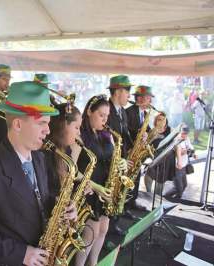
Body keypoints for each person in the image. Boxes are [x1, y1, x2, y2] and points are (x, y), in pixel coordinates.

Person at [0, 81, 77, 266]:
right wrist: (21, 254)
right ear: (18, 124)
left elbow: (38, 198)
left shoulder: (39, 157)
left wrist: (61, 206)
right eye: (42, 123)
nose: (48, 130)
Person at [76, 94, 122, 266]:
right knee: (91, 232)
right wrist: (95, 186)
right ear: (89, 111)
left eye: (107, 116)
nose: (105, 120)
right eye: (101, 115)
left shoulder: (105, 134)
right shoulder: (79, 134)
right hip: (88, 189)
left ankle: (93, 263)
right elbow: (72, 170)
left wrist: (120, 162)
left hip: (104, 188)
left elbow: (109, 157)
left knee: (103, 229)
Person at [106, 75, 136, 233]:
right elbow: (105, 139)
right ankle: (108, 229)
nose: (130, 95)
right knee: (110, 194)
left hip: (121, 160)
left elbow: (125, 135)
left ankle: (113, 223)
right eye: (127, 91)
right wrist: (120, 159)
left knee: (118, 193)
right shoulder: (107, 111)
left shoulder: (122, 112)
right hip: (111, 162)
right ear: (117, 92)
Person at [125, 85, 154, 211]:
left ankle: (132, 201)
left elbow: (146, 130)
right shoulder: (129, 112)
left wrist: (151, 133)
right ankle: (125, 205)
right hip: (129, 151)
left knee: (136, 177)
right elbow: (125, 131)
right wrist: (139, 133)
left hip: (138, 152)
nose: (150, 101)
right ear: (140, 99)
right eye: (148, 98)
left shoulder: (145, 113)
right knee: (128, 179)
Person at [144, 112, 174, 195]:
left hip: (166, 160)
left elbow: (175, 145)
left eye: (163, 120)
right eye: (159, 120)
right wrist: (153, 138)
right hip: (155, 158)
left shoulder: (170, 130)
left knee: (159, 185)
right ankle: (148, 194)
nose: (161, 122)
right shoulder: (153, 131)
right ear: (155, 121)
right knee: (148, 176)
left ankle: (156, 199)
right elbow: (147, 145)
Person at [164, 126, 196, 199]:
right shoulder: (176, 140)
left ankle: (174, 199)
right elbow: (178, 153)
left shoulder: (187, 139)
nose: (184, 135)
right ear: (180, 132)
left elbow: (190, 148)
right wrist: (186, 151)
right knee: (179, 188)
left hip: (183, 166)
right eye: (183, 133)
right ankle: (165, 197)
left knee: (184, 185)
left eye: (186, 134)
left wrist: (193, 154)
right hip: (177, 167)